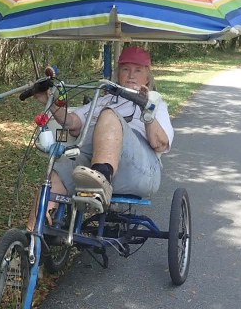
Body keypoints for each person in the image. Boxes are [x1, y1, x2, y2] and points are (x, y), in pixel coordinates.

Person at [33, 45, 174, 218]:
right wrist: (49, 101)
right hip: (92, 159)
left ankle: (101, 180)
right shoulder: (103, 100)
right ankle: (33, 238)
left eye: (137, 70)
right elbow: (72, 123)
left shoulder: (156, 103)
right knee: (55, 175)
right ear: (118, 74)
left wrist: (147, 111)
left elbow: (160, 144)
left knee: (108, 115)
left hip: (139, 168)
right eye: (125, 69)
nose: (131, 75)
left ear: (147, 77)